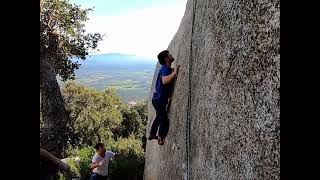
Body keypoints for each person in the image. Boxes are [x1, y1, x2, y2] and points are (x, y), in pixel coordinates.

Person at [148, 50, 180, 145]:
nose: (171, 55)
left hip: (157, 100)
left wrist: (172, 72)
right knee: (164, 120)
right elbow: (165, 81)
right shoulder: (165, 68)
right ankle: (160, 137)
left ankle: (152, 134)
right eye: (169, 55)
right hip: (159, 100)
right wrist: (175, 73)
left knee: (159, 116)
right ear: (166, 58)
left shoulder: (166, 69)